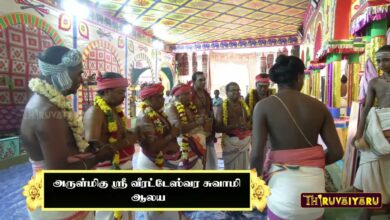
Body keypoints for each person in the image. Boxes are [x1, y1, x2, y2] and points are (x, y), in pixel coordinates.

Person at [20, 46, 119, 220]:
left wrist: (88, 148)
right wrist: (98, 157)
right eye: (78, 74)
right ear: (60, 74)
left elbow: (64, 151)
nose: (81, 80)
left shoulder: (50, 104)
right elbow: (59, 175)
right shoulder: (46, 111)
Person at [250, 55, 343, 220]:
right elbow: (337, 152)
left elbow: (257, 154)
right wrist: (310, 162)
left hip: (281, 193)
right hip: (314, 197)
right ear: (300, 77)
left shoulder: (262, 107)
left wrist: (255, 191)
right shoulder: (319, 107)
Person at [83, 72, 138, 220]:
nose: (124, 96)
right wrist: (128, 141)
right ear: (107, 91)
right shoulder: (95, 112)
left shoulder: (113, 111)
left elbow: (119, 136)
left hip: (123, 168)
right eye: (121, 92)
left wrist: (131, 135)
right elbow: (94, 151)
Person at [135, 82, 181, 219]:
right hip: (153, 164)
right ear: (149, 99)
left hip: (164, 164)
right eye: (159, 96)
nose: (163, 99)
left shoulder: (157, 113)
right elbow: (152, 147)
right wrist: (172, 134)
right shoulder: (145, 117)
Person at [353, 45, 390, 214]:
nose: (381, 64)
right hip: (379, 125)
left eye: (386, 60)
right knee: (372, 163)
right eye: (378, 61)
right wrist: (359, 135)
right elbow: (366, 108)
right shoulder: (375, 82)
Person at [166, 83, 206, 170]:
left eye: (190, 93)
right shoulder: (171, 108)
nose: (190, 96)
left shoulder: (188, 106)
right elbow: (179, 129)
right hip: (184, 147)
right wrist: (198, 123)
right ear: (178, 95)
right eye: (187, 94)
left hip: (196, 148)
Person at [216, 82, 251, 170]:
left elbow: (250, 121)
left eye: (238, 90)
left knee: (244, 167)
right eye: (233, 90)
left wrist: (247, 125)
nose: (236, 92)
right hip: (230, 143)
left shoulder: (244, 106)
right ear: (227, 93)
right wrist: (234, 126)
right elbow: (217, 128)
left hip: (244, 142)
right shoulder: (222, 107)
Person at [191, 71, 218, 170]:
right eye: (200, 80)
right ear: (193, 81)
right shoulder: (189, 94)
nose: (203, 82)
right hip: (196, 130)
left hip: (208, 128)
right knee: (197, 155)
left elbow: (209, 109)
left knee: (208, 155)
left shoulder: (205, 94)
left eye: (204, 80)